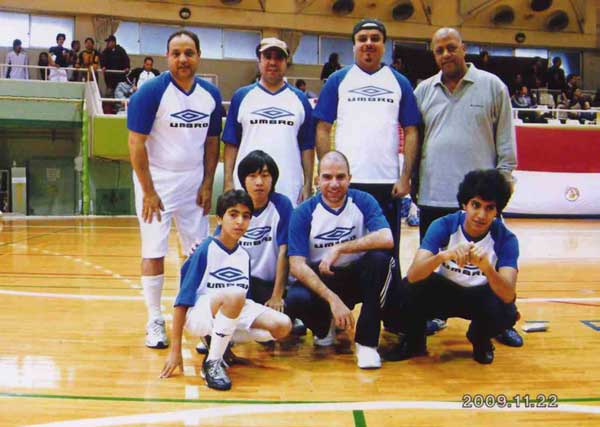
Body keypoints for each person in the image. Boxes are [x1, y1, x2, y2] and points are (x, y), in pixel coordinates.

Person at [413, 28, 520, 344]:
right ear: (434, 55)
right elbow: (415, 144)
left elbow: (506, 144)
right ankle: (432, 315)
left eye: (451, 47)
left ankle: (500, 321)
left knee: (492, 264)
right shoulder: (423, 91)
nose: (446, 54)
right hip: (434, 193)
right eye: (439, 50)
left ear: (464, 48)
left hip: (481, 201)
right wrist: (413, 183)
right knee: (435, 264)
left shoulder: (492, 86)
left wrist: (502, 191)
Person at [127, 30, 223, 350]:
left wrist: (207, 183)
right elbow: (135, 144)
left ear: (199, 56)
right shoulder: (150, 93)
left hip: (193, 183)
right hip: (156, 182)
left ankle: (198, 317)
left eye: (189, 53)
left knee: (197, 253)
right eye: (176, 53)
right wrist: (148, 191)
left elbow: (212, 144)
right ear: (167, 57)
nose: (183, 59)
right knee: (154, 251)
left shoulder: (210, 95)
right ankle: (155, 319)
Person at [314, 18, 421, 274]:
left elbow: (411, 130)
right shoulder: (338, 80)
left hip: (387, 184)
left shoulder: (399, 82)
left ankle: (387, 298)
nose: (368, 44)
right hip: (346, 184)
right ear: (353, 46)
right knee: (343, 252)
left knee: (385, 255)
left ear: (385, 45)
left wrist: (405, 176)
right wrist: (328, 175)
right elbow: (322, 128)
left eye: (375, 38)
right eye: (362, 39)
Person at [160, 190, 292, 390]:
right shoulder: (204, 249)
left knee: (283, 325)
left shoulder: (243, 256)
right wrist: (175, 350)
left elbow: (242, 303)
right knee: (234, 295)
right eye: (233, 214)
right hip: (200, 314)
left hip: (230, 308)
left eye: (246, 216)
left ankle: (219, 343)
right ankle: (212, 363)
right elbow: (181, 302)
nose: (240, 221)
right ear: (220, 218)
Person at [387, 169, 519, 365]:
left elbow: (508, 295)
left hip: (481, 296)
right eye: (476, 205)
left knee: (507, 312)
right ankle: (414, 340)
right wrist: (443, 256)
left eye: (489, 208)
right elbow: (413, 275)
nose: (481, 215)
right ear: (465, 204)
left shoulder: (506, 239)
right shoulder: (444, 225)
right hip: (445, 293)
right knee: (405, 291)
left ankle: (480, 338)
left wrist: (487, 268)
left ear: (497, 211)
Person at [286, 151, 398, 369]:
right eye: (327, 177)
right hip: (323, 279)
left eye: (340, 177)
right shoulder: (303, 212)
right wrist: (333, 300)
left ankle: (367, 344)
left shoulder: (363, 200)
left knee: (381, 261)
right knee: (296, 298)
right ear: (317, 180)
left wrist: (340, 248)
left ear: (349, 178)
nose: (334, 184)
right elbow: (296, 266)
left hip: (356, 277)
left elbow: (387, 238)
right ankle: (323, 327)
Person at [222, 37, 314, 206]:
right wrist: (228, 181)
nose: (273, 62)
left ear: (286, 62)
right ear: (259, 61)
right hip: (247, 185)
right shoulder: (241, 97)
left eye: (279, 57)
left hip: (289, 185)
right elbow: (231, 143)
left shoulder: (300, 100)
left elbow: (307, 147)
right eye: (267, 56)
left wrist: (308, 184)